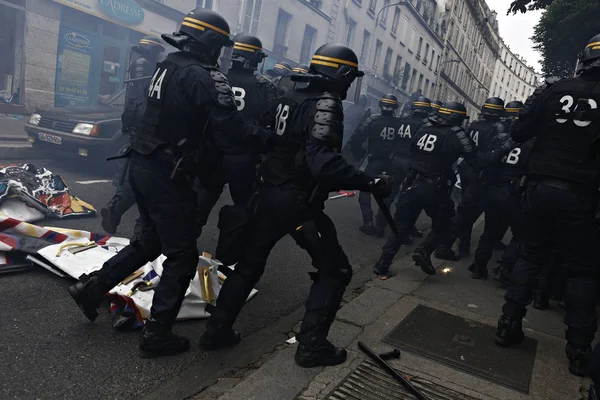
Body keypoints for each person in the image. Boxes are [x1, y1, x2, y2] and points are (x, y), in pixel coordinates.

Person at [67, 8, 259, 359]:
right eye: (221, 47)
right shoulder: (206, 77)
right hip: (169, 175)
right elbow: (231, 131)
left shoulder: (167, 65)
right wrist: (264, 138)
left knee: (148, 242)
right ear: (212, 45)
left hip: (143, 164)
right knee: (182, 256)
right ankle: (157, 334)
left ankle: (92, 288)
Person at [200, 44, 391, 368]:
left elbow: (264, 135)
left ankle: (216, 331)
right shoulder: (326, 103)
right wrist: (369, 181)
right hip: (298, 204)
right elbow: (323, 164)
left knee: (248, 266)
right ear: (341, 75)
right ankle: (311, 346)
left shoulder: (288, 93)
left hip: (268, 194)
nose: (349, 86)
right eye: (349, 78)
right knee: (336, 270)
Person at [495, 34, 600, 377]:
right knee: (582, 270)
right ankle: (579, 351)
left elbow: (520, 130)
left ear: (583, 59)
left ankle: (508, 325)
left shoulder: (553, 90)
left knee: (529, 255)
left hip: (540, 189)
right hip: (584, 196)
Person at [372, 102, 476, 278]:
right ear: (457, 117)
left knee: (401, 225)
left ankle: (383, 263)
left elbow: (412, 147)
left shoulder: (426, 127)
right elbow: (473, 158)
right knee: (445, 222)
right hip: (435, 186)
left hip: (413, 181)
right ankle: (425, 250)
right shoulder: (456, 134)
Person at [194, 33, 278, 233]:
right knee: (244, 209)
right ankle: (232, 252)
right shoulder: (265, 86)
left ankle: (182, 246)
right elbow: (269, 123)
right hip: (244, 157)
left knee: (200, 204)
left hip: (212, 152)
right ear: (255, 58)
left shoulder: (214, 77)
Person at [101, 36, 165, 234]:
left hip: (136, 125)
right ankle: (143, 227)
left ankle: (116, 206)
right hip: (150, 128)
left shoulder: (137, 66)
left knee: (134, 171)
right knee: (154, 178)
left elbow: (132, 103)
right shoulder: (151, 69)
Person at [435, 97, 508, 261]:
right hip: (480, 173)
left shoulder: (474, 125)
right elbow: (496, 154)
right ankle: (447, 244)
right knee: (468, 211)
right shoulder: (499, 128)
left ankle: (464, 243)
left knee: (465, 208)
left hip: (466, 169)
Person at [370, 96, 431, 239]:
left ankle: (380, 225)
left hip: (396, 159)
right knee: (405, 197)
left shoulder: (402, 120)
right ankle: (399, 228)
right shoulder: (424, 125)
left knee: (390, 194)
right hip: (411, 163)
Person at [350, 94, 405, 236]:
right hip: (391, 162)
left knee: (366, 190)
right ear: (395, 107)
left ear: (381, 105)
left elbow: (357, 137)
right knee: (387, 193)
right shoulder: (400, 123)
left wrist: (359, 152)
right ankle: (381, 224)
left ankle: (368, 222)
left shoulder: (372, 120)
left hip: (374, 161)